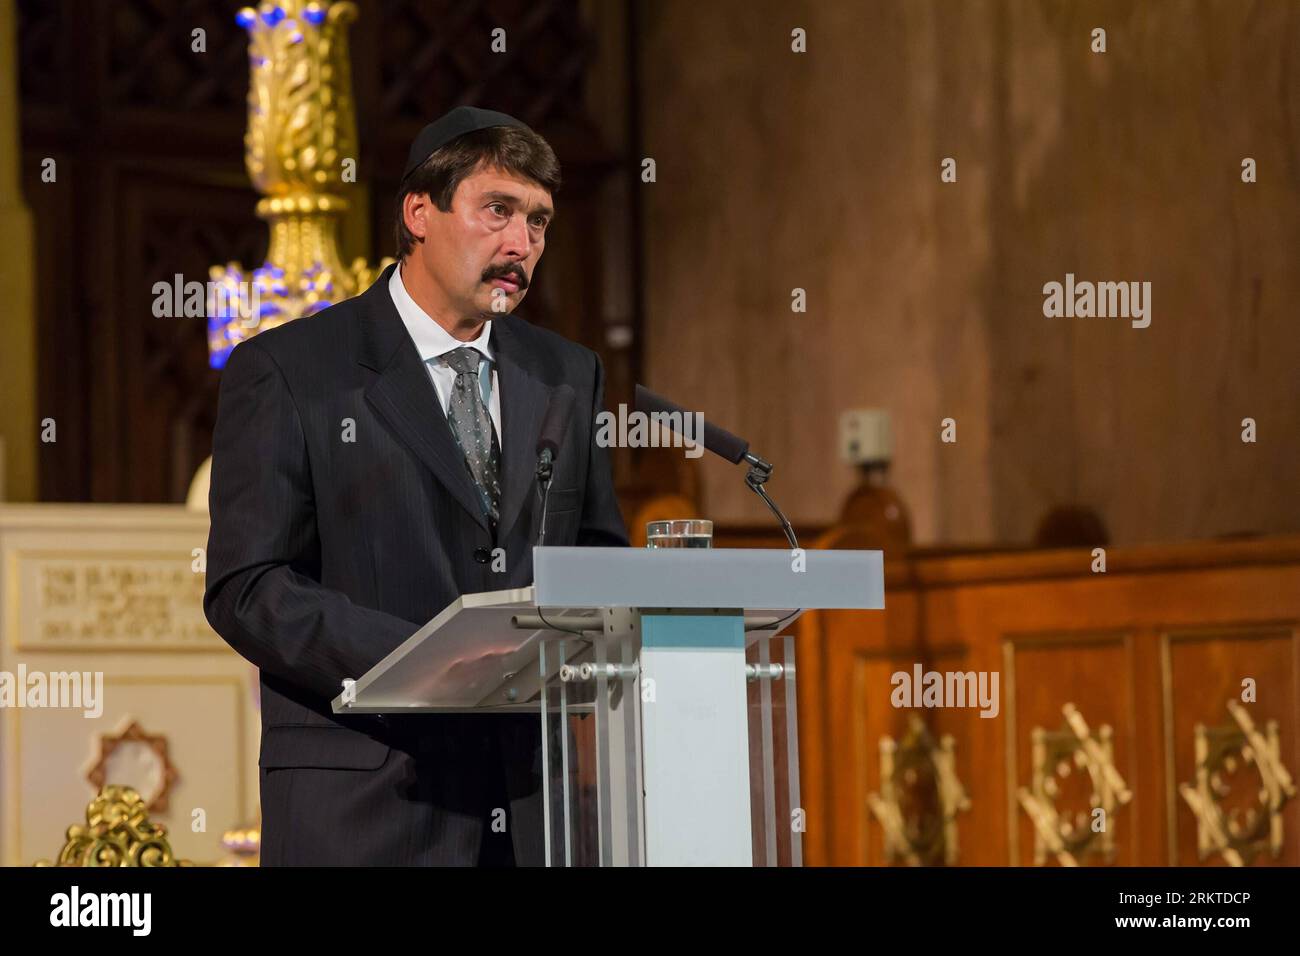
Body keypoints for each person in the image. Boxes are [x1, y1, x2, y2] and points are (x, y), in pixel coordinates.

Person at [203, 106, 628, 865]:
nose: (520, 245)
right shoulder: (293, 370)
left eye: (538, 222)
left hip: (533, 806)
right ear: (419, 211)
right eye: (497, 210)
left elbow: (598, 555)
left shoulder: (566, 373)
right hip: (367, 802)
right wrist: (426, 660)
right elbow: (248, 586)